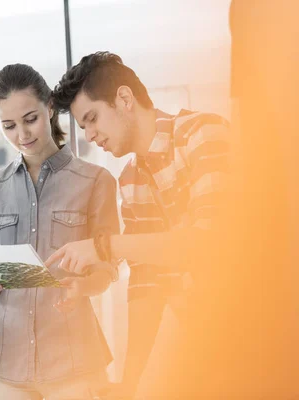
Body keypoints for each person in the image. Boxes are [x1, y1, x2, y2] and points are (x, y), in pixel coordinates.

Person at [47, 51, 232, 398]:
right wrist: (130, 384)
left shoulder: (201, 134)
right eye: (83, 126)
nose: (89, 135)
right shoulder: (130, 181)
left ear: (124, 98)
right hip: (207, 345)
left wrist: (103, 246)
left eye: (91, 118)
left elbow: (209, 244)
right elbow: (146, 287)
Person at [0, 64, 119, 400]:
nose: (22, 134)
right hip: (2, 358)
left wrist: (83, 286)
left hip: (72, 357)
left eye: (30, 118)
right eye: (8, 125)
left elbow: (108, 268)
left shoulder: (96, 182)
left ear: (50, 106)